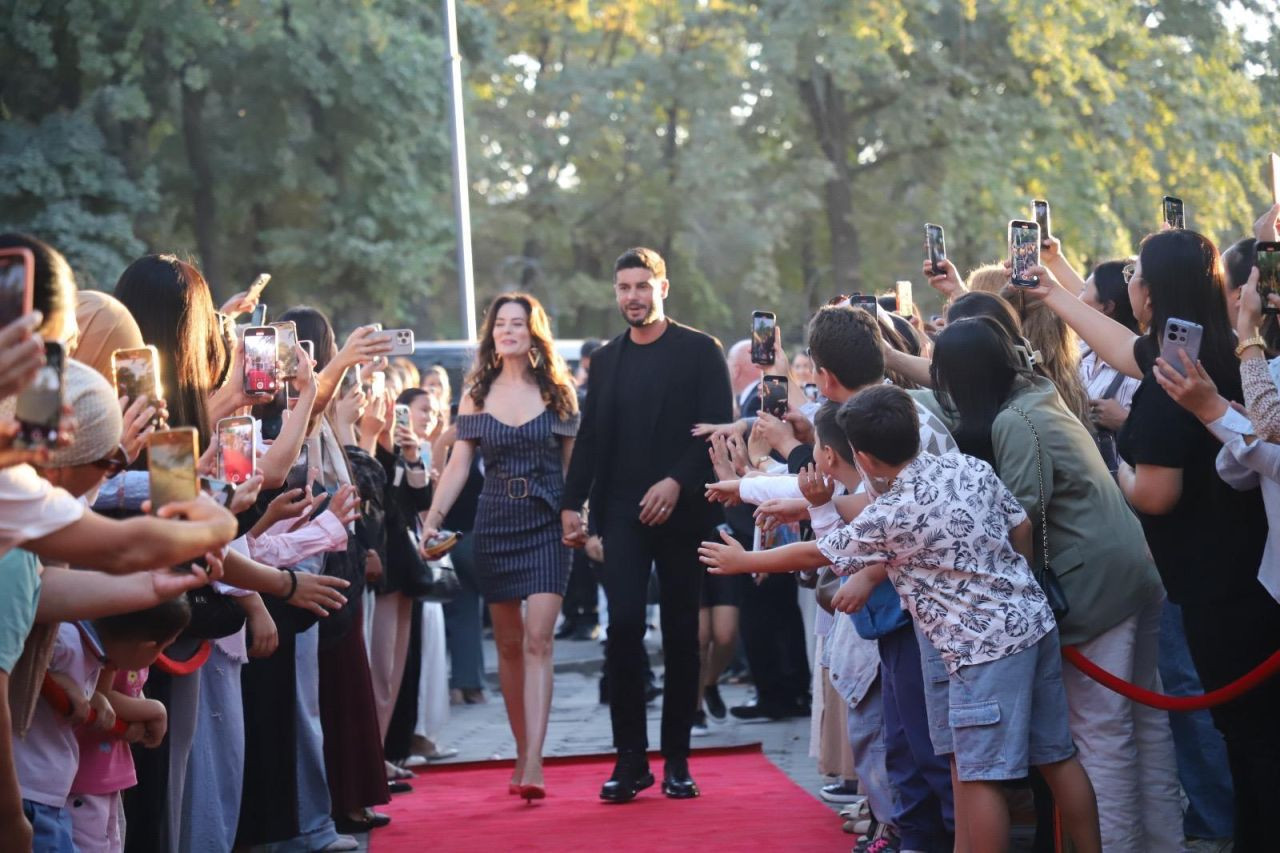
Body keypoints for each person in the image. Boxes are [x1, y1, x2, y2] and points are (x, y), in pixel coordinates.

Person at [698, 385, 1103, 853]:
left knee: (981, 777)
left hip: (977, 650)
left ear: (863, 459)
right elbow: (1022, 528)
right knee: (1058, 757)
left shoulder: (894, 512)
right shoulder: (967, 467)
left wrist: (743, 562)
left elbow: (817, 551)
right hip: (1033, 624)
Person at [1024, 229, 1278, 848]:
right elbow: (1117, 347)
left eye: (1137, 275)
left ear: (1152, 292)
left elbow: (1156, 494)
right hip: (1246, 572)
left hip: (1222, 585)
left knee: (1250, 738)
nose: (1129, 285)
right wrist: (1050, 289)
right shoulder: (1207, 351)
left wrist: (1107, 463)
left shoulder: (1176, 382)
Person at [924, 316, 1180, 851]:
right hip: (1130, 574)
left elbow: (1020, 516)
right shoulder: (1037, 393)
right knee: (1146, 734)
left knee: (1103, 739)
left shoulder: (1014, 421)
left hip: (1094, 592)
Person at [561, 247, 732, 802]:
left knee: (683, 633)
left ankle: (677, 760)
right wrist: (572, 503)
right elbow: (589, 439)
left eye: (642, 285)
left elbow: (716, 434)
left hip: (685, 513)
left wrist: (677, 482)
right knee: (625, 627)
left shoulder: (701, 351)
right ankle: (630, 759)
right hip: (621, 514)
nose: (632, 296)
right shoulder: (607, 360)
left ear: (663, 287)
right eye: (623, 287)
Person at [425, 292, 579, 801]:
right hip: (494, 524)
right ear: (492, 334)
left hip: (548, 525)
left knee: (539, 640)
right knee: (510, 646)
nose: (509, 331)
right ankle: (521, 749)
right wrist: (433, 518)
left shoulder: (558, 391)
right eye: (501, 325)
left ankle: (534, 759)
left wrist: (580, 516)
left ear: (534, 332)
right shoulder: (476, 392)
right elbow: (459, 465)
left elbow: (574, 469)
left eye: (518, 323)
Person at [14, 600, 192, 853]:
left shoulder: (95, 653)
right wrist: (52, 677)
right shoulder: (66, 640)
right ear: (148, 647)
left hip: (49, 789)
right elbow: (16, 649)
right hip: (31, 789)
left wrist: (96, 697)